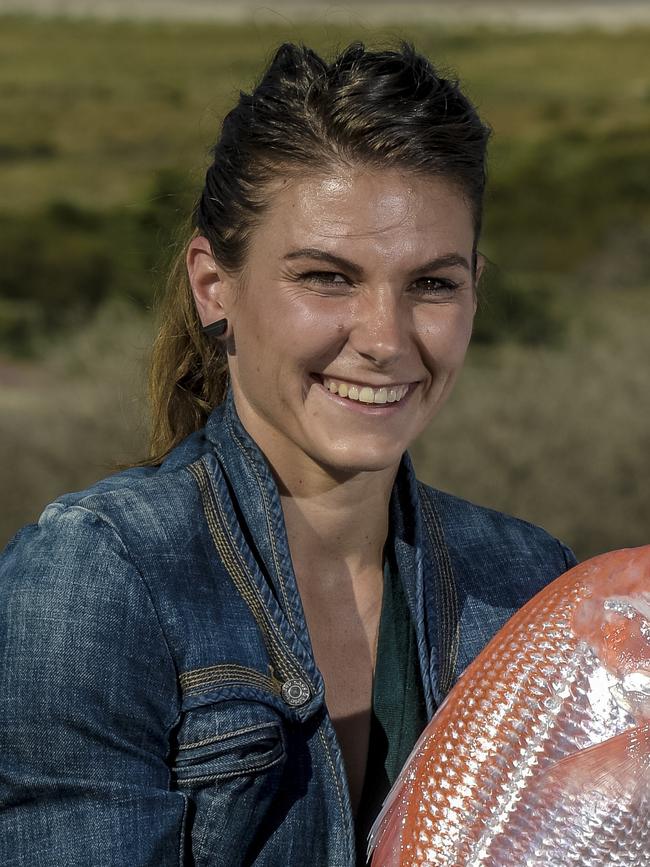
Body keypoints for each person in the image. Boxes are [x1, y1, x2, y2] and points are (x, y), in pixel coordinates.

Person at [0, 42, 577, 866]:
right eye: (327, 278)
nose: (384, 339)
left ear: (476, 288)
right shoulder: (98, 579)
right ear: (214, 286)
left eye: (433, 284)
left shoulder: (531, 586)